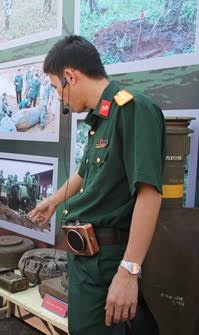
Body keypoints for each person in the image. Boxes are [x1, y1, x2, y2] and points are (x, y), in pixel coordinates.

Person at [27, 35, 165, 335]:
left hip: (109, 260)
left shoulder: (133, 109)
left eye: (54, 88)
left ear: (70, 76)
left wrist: (128, 272)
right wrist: (52, 202)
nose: (58, 98)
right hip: (86, 260)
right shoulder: (100, 119)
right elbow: (84, 173)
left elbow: (149, 195)